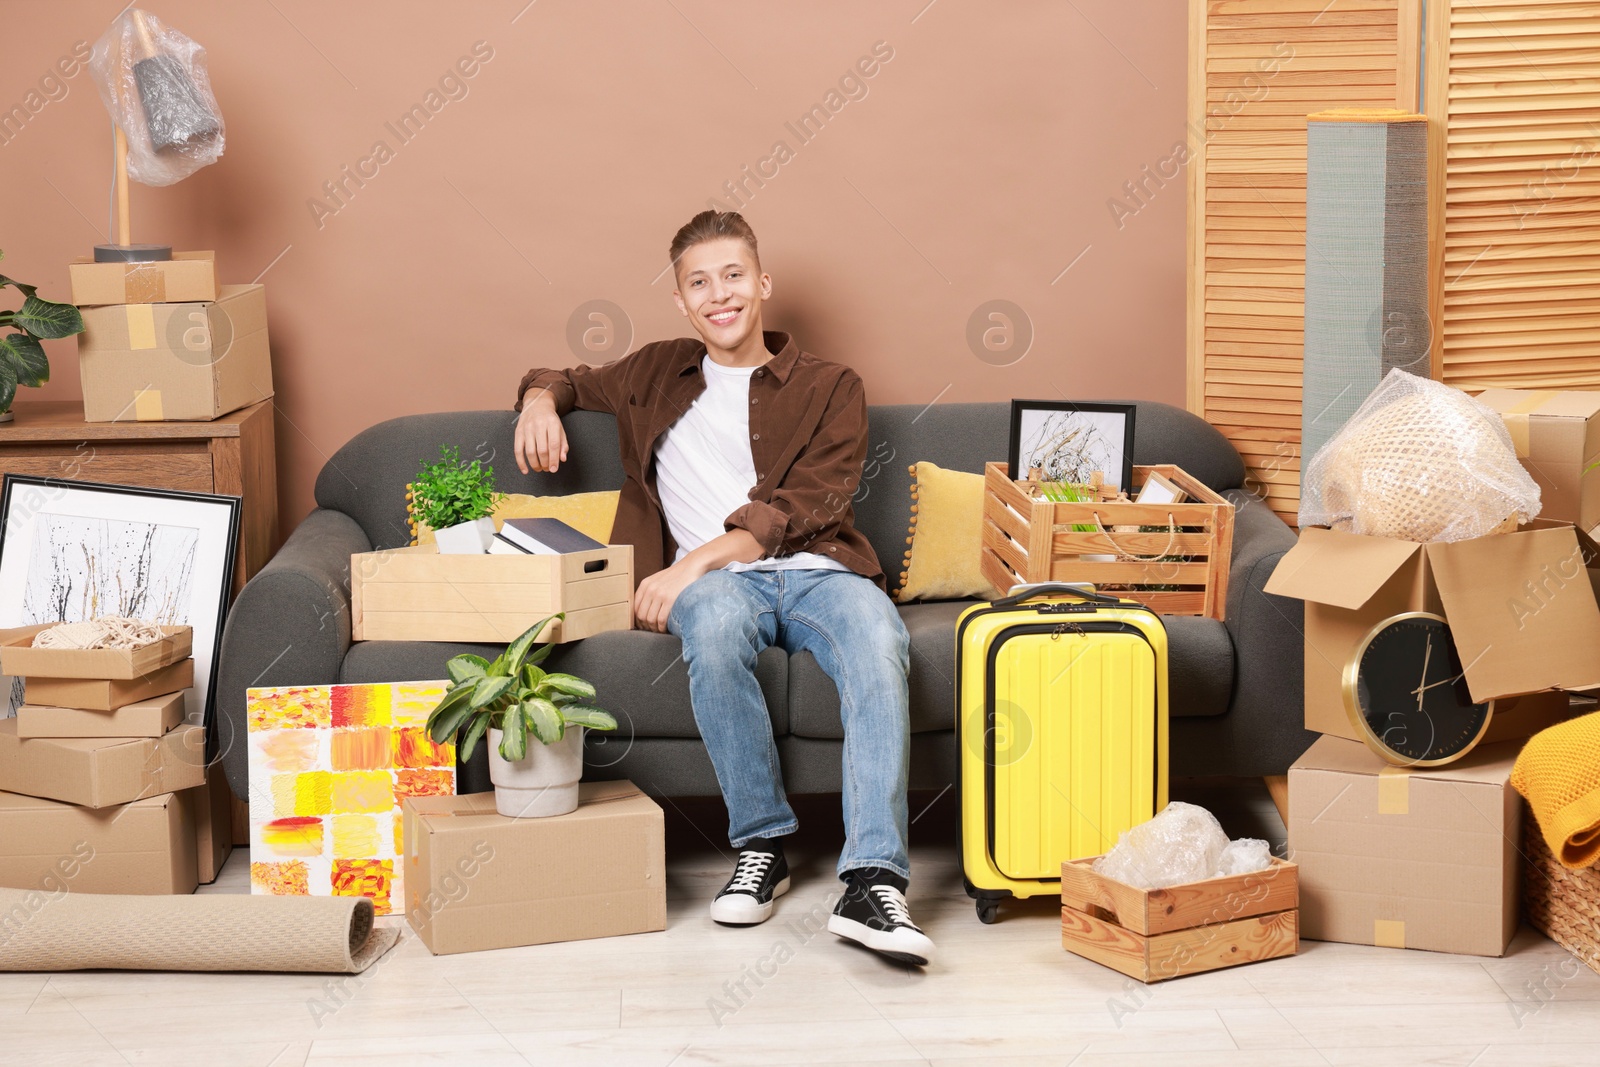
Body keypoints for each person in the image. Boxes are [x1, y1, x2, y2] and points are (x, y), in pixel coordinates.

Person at [512, 210, 934, 966]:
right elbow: (562, 377)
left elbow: (809, 504)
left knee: (878, 638)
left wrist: (690, 561)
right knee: (706, 625)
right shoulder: (651, 371)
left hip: (818, 573)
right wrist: (540, 402)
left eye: (733, 275)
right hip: (719, 591)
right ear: (680, 300)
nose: (720, 295)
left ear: (763, 283)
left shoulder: (833, 385)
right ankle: (762, 847)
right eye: (699, 283)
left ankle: (872, 878)